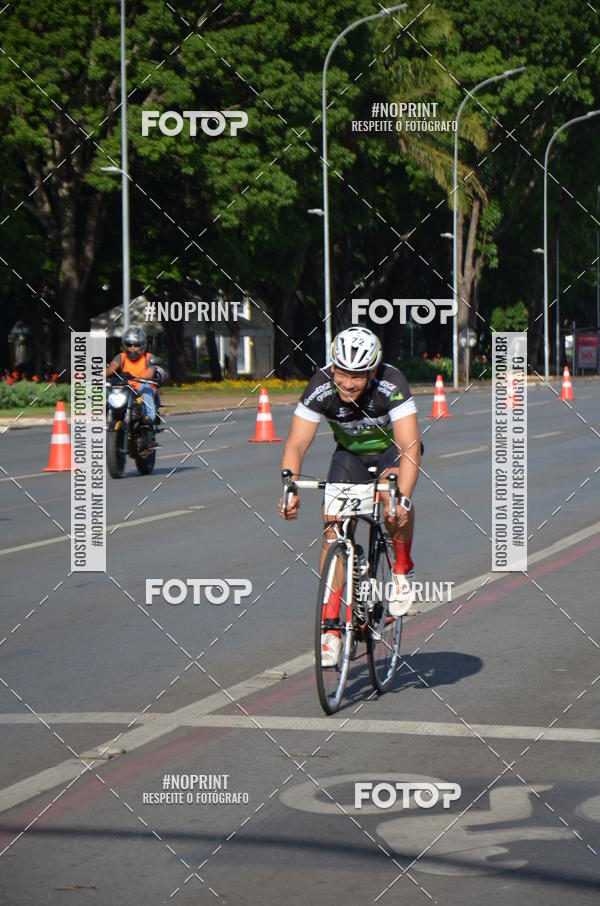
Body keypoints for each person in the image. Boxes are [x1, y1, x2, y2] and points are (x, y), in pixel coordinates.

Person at [277, 326, 422, 667]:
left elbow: (410, 446)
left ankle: (401, 569)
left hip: (391, 453)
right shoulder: (322, 386)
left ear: (372, 372)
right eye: (341, 372)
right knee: (332, 529)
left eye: (356, 376)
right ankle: (331, 629)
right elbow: (296, 443)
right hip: (350, 456)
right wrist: (289, 486)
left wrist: (402, 497)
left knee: (392, 503)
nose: (346, 382)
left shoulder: (392, 384)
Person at [105, 327, 160, 424]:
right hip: (126, 388)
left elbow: (149, 375)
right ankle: (107, 414)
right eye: (129, 345)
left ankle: (149, 416)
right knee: (109, 389)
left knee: (146, 386)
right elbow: (110, 370)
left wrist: (141, 379)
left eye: (136, 345)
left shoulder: (148, 358)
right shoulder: (121, 357)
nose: (132, 348)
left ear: (143, 346)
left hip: (141, 389)